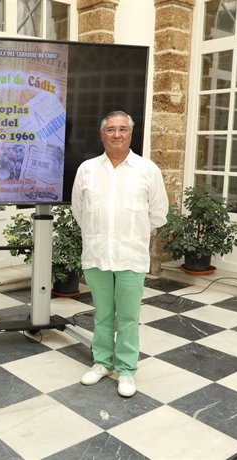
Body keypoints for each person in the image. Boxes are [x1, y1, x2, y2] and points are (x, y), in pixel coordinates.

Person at [71, 111, 168, 397]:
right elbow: (79, 211)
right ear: (102, 135)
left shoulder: (147, 170)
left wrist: (131, 233)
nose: (116, 134)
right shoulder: (87, 169)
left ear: (130, 134)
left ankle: (126, 370)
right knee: (102, 314)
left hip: (131, 256)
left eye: (122, 129)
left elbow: (158, 214)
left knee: (127, 317)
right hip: (97, 255)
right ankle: (102, 362)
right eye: (111, 129)